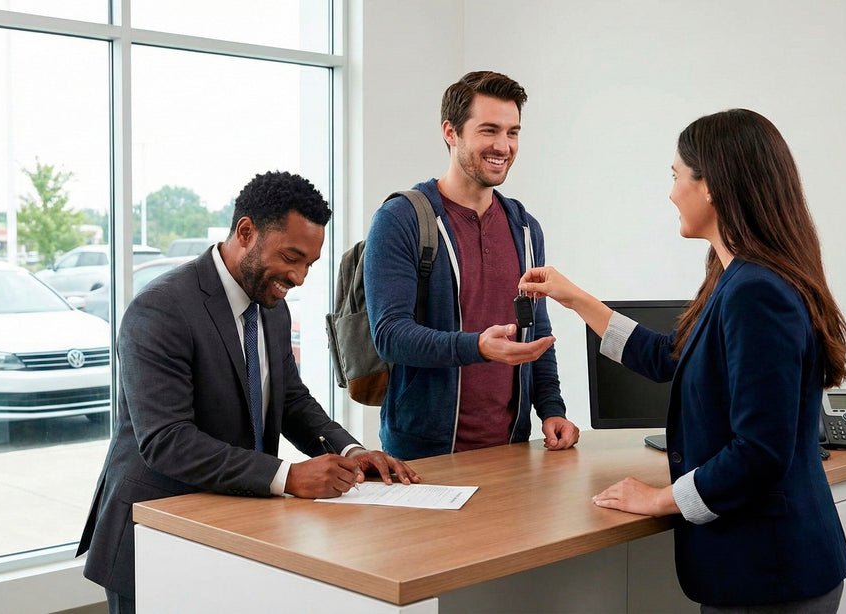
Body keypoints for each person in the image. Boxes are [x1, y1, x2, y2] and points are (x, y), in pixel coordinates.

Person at [519, 109, 846, 612]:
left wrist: (660, 498)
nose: (671, 192)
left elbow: (760, 452)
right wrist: (575, 298)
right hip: (771, 567)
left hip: (771, 573)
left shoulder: (756, 291)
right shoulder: (735, 276)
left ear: (711, 185)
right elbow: (668, 356)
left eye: (676, 176)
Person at [77, 171, 419, 614]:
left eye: (310, 264)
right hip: (155, 533)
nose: (299, 277)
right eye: (291, 257)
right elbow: (166, 440)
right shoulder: (160, 308)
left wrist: (350, 450)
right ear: (245, 232)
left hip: (234, 526)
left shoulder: (271, 309)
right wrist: (289, 477)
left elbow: (292, 401)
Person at [363, 70, 579, 460]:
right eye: (489, 130)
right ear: (451, 132)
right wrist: (478, 346)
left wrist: (551, 409)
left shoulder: (526, 228)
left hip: (512, 449)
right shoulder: (402, 219)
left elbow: (537, 332)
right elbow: (390, 335)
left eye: (513, 132)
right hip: (423, 456)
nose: (503, 145)